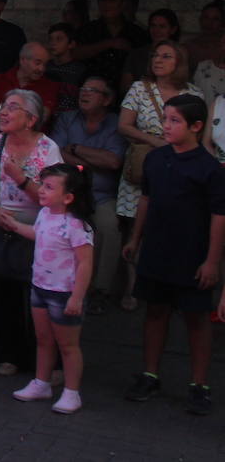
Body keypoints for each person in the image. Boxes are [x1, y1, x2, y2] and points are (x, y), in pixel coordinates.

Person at [123, 94, 225, 414]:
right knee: (155, 311)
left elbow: (219, 217)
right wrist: (135, 239)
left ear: (196, 126)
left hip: (192, 256)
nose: (166, 126)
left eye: (174, 121)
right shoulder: (156, 159)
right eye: (165, 119)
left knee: (196, 319)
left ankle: (199, 384)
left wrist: (211, 260)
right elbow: (146, 199)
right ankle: (150, 374)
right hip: (157, 249)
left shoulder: (210, 169)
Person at [0, 89, 64, 376]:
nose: (4, 112)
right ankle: (9, 355)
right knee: (5, 294)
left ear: (31, 118)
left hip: (38, 229)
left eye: (13, 107)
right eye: (4, 106)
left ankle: (45, 360)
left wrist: (21, 178)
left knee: (39, 297)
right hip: (3, 225)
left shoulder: (48, 149)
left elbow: (54, 198)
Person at [0, 165, 95, 414]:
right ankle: (41, 383)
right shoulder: (45, 214)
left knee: (68, 345)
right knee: (43, 340)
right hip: (40, 287)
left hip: (64, 293)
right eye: (42, 184)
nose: (41, 190)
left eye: (49, 187)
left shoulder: (76, 226)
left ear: (68, 197)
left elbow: (85, 263)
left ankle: (72, 392)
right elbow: (37, 234)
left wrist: (77, 296)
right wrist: (14, 225)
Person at [117, 40, 201, 311]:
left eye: (167, 56)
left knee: (174, 225)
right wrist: (157, 143)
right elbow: (124, 126)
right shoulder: (139, 89)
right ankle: (133, 287)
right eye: (156, 55)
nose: (158, 60)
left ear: (180, 63)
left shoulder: (194, 94)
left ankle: (168, 286)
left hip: (180, 168)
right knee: (135, 228)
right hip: (145, 165)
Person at [49, 76, 125, 314]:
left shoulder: (115, 124)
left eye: (93, 90)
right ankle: (54, 285)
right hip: (67, 192)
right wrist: (91, 161)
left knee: (110, 226)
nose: (85, 93)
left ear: (107, 99)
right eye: (83, 89)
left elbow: (113, 161)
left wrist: (76, 149)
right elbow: (56, 153)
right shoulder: (67, 118)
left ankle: (99, 290)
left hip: (101, 194)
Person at [72, 0, 150, 87]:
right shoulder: (88, 29)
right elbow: (75, 53)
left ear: (122, 4)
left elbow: (145, 61)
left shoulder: (137, 32)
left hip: (125, 92)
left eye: (112, 0)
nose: (106, 4)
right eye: (103, 0)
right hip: (93, 91)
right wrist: (108, 44)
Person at [0, 42, 61, 126]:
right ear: (22, 60)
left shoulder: (49, 86)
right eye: (37, 63)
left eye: (45, 65)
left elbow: (41, 118)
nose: (42, 69)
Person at [121, 9, 180, 96]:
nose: (156, 30)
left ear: (173, 30)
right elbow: (125, 86)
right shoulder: (136, 54)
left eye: (162, 26)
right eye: (153, 26)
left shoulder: (180, 53)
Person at [45, 22, 86, 114]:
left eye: (59, 39)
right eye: (51, 39)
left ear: (71, 44)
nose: (53, 43)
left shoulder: (80, 70)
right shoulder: (44, 67)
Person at [184, 0, 224, 72]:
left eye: (215, 19)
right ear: (200, 19)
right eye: (206, 17)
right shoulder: (188, 48)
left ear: (222, 23)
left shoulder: (223, 49)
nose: (209, 23)